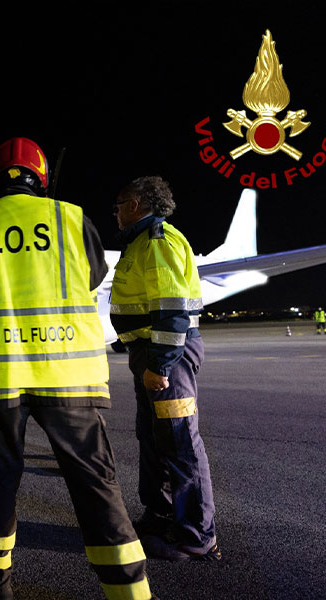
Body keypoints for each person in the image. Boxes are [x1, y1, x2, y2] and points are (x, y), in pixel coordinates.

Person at [0, 137, 156, 600]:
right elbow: (93, 276)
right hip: (67, 372)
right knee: (95, 483)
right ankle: (129, 591)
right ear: (41, 178)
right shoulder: (71, 218)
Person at [110, 175, 220, 562]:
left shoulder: (158, 241)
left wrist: (159, 364)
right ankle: (160, 516)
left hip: (167, 356)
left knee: (178, 440)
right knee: (154, 438)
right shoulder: (140, 242)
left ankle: (196, 535)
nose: (115, 213)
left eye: (119, 205)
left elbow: (172, 310)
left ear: (135, 204)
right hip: (148, 353)